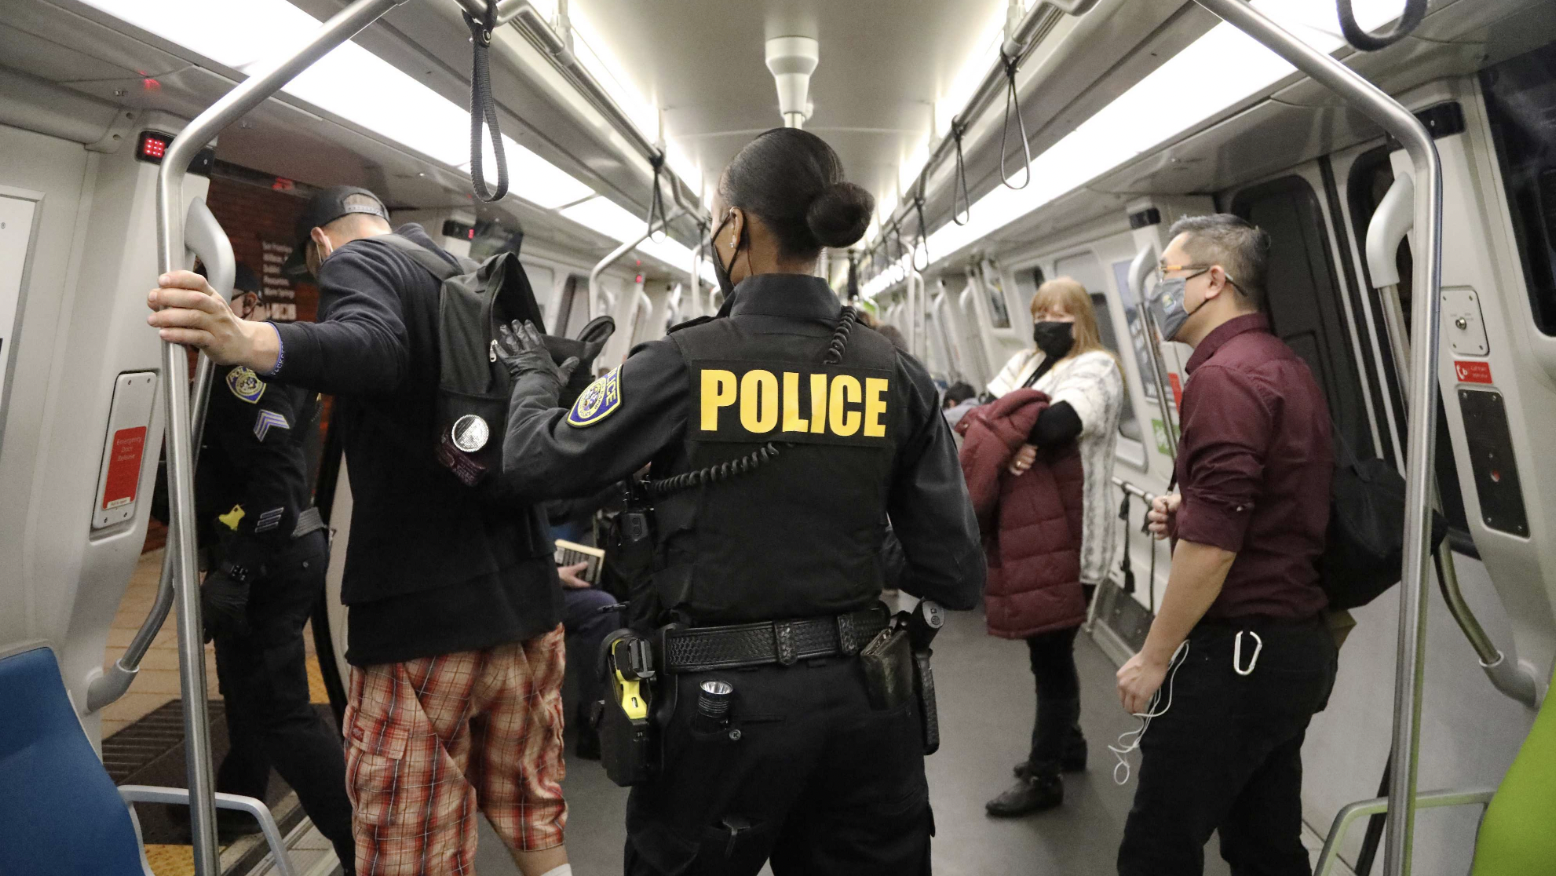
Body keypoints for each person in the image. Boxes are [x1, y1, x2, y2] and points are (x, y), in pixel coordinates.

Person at [496, 127, 983, 876]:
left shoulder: (679, 362)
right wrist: (849, 539)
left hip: (718, 715)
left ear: (735, 226)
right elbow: (954, 572)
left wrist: (532, 374)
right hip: (865, 707)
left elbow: (534, 461)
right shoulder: (897, 372)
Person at [146, 187, 572, 876]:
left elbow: (373, 349)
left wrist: (245, 338)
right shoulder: (458, 271)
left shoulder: (361, 261)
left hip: (426, 618)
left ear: (319, 245)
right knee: (528, 804)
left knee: (410, 844)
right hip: (525, 606)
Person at [1116, 214, 1336, 876]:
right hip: (1290, 644)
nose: (1155, 292)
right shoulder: (1278, 362)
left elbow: (1215, 551)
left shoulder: (1224, 379)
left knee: (1158, 849)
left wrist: (1154, 658)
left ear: (1214, 281)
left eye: (1167, 276)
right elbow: (1276, 494)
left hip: (1241, 653)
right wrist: (1190, 510)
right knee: (1264, 843)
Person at [181, 264, 354, 868]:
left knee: (280, 707)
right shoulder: (260, 360)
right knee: (247, 689)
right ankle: (236, 799)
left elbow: (278, 475)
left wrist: (239, 571)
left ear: (247, 302)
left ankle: (358, 838)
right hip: (278, 547)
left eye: (210, 298)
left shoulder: (244, 370)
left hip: (273, 554)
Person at [978, 277, 1125, 816]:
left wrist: (1010, 434)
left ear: (1080, 318)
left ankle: (1044, 776)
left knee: (1053, 650)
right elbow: (979, 414)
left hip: (1074, 532)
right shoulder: (1024, 362)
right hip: (1032, 532)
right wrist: (1015, 438)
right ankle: (1070, 745)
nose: (1047, 322)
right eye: (1041, 312)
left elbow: (1060, 422)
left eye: (1060, 314)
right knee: (1045, 647)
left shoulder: (1099, 368)